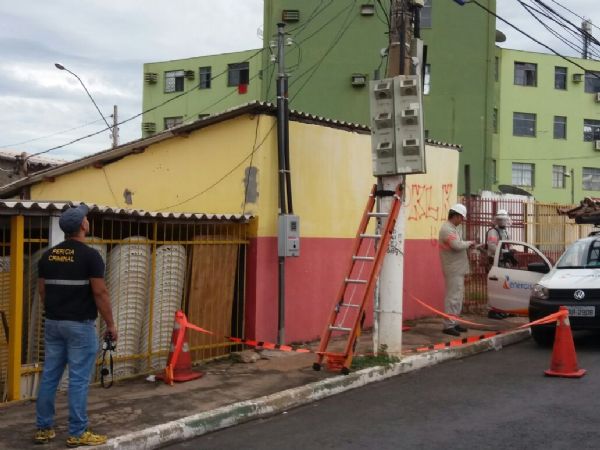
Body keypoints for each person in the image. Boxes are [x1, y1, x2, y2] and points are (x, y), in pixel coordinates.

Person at [34, 204, 117, 447]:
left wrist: (56, 310)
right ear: (82, 225)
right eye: (86, 218)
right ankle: (78, 432)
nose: (88, 221)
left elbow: (42, 290)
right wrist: (111, 324)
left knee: (50, 376)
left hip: (53, 323)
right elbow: (100, 293)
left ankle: (43, 428)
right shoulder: (90, 256)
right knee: (79, 379)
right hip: (80, 326)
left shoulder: (48, 256)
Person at [439, 203, 476, 337]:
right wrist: (469, 243)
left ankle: (454, 321)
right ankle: (448, 324)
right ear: (455, 216)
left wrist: (467, 244)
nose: (462, 221)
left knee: (458, 297)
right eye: (461, 218)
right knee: (453, 297)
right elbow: (456, 245)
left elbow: (458, 244)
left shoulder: (453, 228)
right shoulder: (447, 229)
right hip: (453, 269)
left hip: (457, 269)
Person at [485, 209, 516, 319]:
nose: (503, 222)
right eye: (501, 220)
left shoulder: (506, 231)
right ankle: (492, 310)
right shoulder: (493, 232)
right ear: (497, 220)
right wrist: (506, 252)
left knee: (505, 287)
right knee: (495, 287)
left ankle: (503, 309)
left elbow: (509, 244)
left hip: (503, 262)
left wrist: (511, 251)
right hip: (495, 262)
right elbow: (492, 247)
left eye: (504, 220)